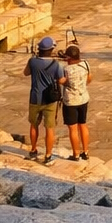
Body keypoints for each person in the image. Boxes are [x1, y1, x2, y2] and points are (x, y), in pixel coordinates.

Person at [22, 35, 66, 164]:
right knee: (49, 128)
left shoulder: (33, 61)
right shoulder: (55, 64)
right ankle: (48, 154)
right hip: (50, 100)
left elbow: (26, 73)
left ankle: (34, 150)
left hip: (35, 97)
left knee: (34, 125)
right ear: (51, 50)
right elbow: (61, 80)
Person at [61, 43, 92, 161]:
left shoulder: (66, 69)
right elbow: (89, 79)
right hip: (83, 98)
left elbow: (63, 81)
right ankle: (86, 151)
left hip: (71, 101)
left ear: (69, 58)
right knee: (83, 125)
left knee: (73, 129)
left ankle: (76, 154)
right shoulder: (85, 64)